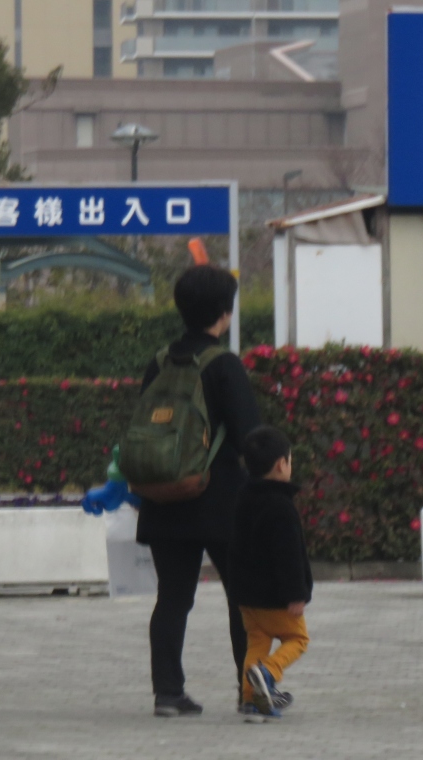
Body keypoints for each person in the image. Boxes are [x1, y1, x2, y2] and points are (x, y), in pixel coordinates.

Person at [137, 264, 261, 718]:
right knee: (243, 599)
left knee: (172, 598)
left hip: (164, 495)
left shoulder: (159, 361)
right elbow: (250, 435)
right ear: (225, 312)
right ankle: (250, 692)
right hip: (220, 500)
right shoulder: (223, 364)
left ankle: (168, 693)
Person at [230, 426, 313, 722]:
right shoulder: (281, 507)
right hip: (275, 597)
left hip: (247, 596)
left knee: (257, 641)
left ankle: (251, 701)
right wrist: (297, 593)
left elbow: (235, 545)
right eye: (290, 461)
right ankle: (268, 673)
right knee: (298, 638)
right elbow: (289, 556)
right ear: (281, 464)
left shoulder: (243, 497)